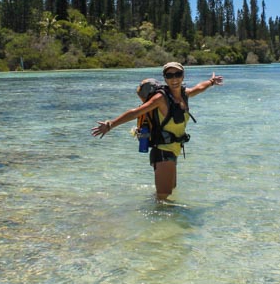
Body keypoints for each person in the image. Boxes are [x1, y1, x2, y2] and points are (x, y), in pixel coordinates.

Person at [91, 62, 224, 200]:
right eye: (169, 75)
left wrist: (211, 82)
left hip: (173, 150)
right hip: (163, 151)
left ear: (183, 76)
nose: (174, 79)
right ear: (165, 78)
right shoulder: (161, 98)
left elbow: (199, 87)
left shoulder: (184, 94)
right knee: (163, 199)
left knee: (168, 193)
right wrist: (110, 124)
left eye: (178, 74)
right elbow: (135, 112)